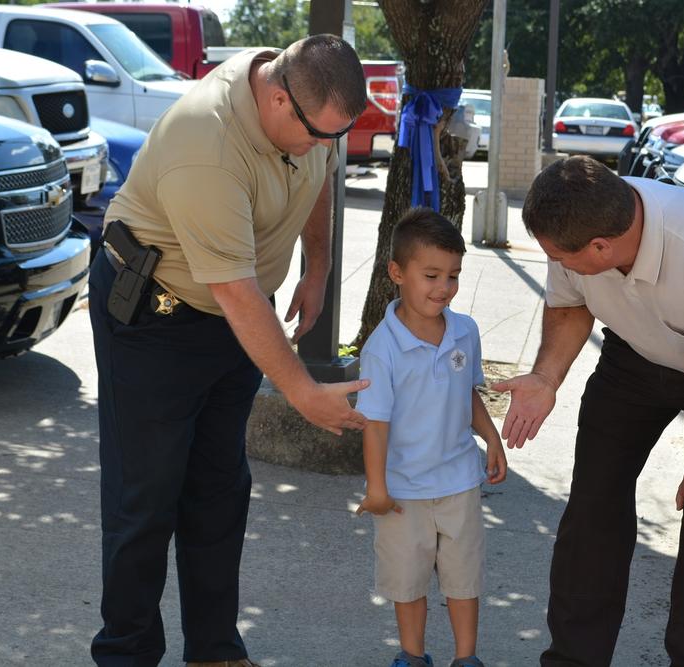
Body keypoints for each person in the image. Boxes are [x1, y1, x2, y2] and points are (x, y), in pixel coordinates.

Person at [86, 35, 370, 667]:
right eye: (317, 133)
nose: (325, 146)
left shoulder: (304, 106)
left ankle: (214, 649)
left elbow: (319, 171)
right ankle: (126, 653)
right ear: (276, 99)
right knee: (146, 495)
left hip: (231, 315)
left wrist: (318, 265)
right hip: (156, 314)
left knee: (220, 487)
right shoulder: (205, 142)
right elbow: (237, 294)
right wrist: (304, 393)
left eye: (337, 135)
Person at [493, 156, 684, 666]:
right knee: (591, 514)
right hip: (634, 357)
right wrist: (545, 378)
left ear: (601, 247)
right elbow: (568, 305)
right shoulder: (575, 220)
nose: (553, 263)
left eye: (560, 257)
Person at [355, 208, 508, 667]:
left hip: (459, 481)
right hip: (402, 491)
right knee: (408, 582)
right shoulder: (381, 349)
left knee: (464, 581)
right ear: (397, 273)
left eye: (453, 276)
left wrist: (491, 437)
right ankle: (413, 656)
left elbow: (468, 396)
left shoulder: (464, 331)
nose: (443, 288)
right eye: (431, 275)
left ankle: (467, 658)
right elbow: (375, 423)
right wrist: (377, 488)